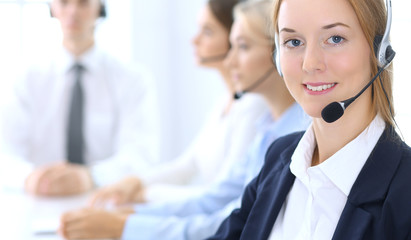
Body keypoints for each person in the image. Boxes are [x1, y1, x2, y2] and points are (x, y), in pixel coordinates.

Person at [58, 1, 310, 239]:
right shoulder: (266, 128)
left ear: (278, 54)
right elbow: (214, 197)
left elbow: (236, 219)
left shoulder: (289, 135)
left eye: (242, 47)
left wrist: (125, 224)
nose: (230, 59)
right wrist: (131, 216)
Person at [207, 0, 411, 239]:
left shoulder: (404, 192)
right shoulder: (278, 159)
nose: (310, 63)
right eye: (294, 42)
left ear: (379, 50)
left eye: (335, 39)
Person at [87, 0, 270, 206]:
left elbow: (222, 197)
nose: (194, 40)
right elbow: (186, 165)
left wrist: (146, 194)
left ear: (234, 38)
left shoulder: (255, 106)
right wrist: (134, 182)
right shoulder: (225, 101)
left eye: (207, 31)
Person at [0, 0, 159, 196]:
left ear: (100, 8)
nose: (73, 11)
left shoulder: (132, 79)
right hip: (37, 200)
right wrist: (29, 178)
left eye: (83, 3)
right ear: (52, 8)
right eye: (64, 2)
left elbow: (141, 154)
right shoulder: (25, 80)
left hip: (106, 198)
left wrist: (91, 177)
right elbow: (5, 154)